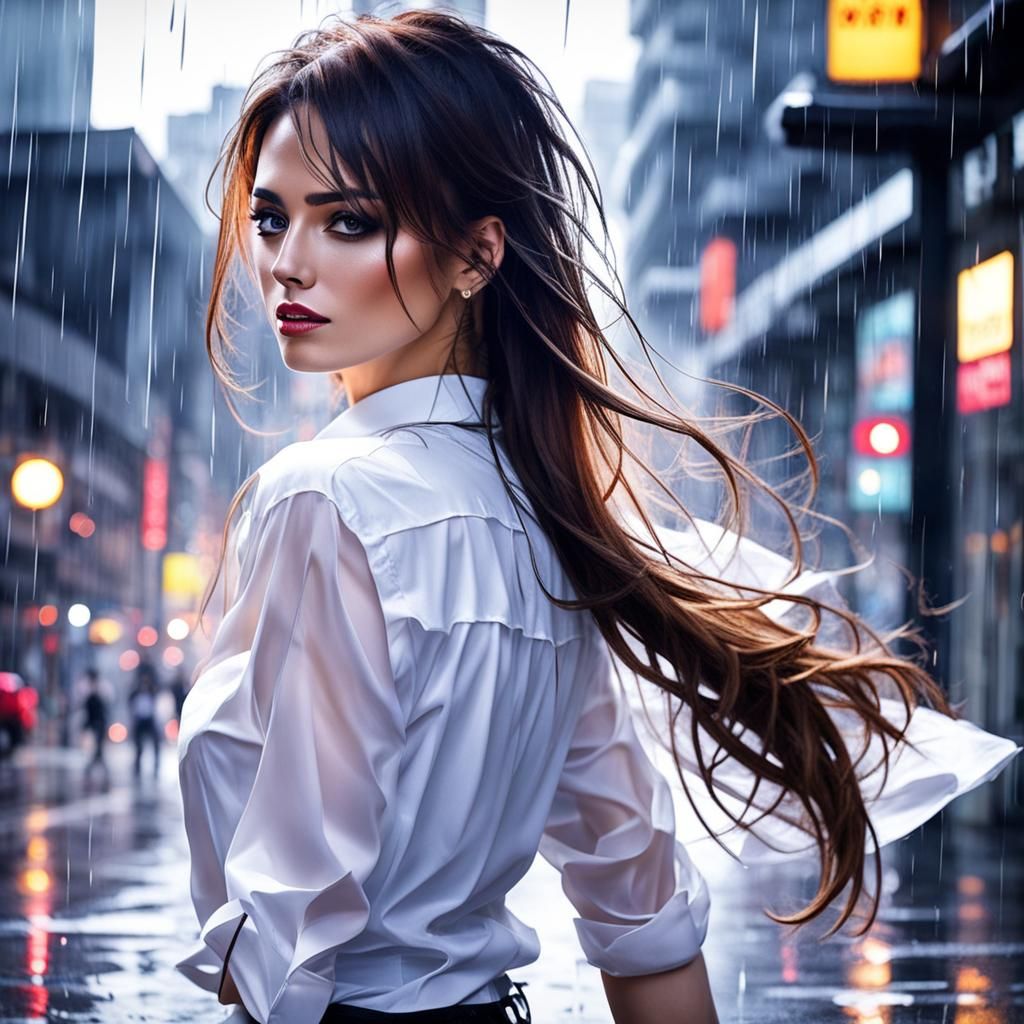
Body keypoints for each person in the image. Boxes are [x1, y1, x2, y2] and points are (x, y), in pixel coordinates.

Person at [173, 12, 1018, 1024]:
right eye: (271, 217)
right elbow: (639, 905)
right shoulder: (551, 521)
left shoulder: (325, 498)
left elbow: (289, 940)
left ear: (477, 255)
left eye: (348, 220)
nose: (286, 264)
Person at [128, 661, 161, 779]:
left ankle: (156, 767)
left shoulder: (153, 692)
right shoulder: (135, 692)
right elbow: (130, 703)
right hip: (139, 720)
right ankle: (137, 768)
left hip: (150, 720)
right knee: (138, 747)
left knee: (156, 744)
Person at [79, 667, 109, 774]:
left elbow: (107, 701)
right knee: (91, 742)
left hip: (100, 719)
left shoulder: (103, 687)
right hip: (90, 719)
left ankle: (98, 759)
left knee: (99, 742)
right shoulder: (85, 687)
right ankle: (95, 759)